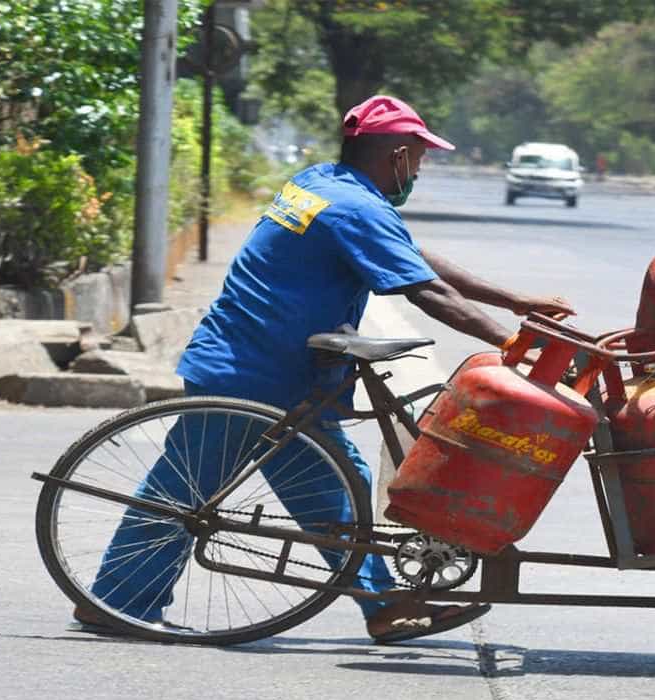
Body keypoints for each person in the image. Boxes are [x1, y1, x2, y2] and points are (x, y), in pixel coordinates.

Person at [74, 95, 575, 643]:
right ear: (398, 156)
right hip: (253, 371)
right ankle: (118, 602)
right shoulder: (353, 209)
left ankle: (385, 606)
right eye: (420, 158)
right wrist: (509, 341)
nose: (419, 171)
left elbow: (409, 254)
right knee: (185, 489)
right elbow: (425, 290)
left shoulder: (320, 184)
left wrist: (512, 302)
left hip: (277, 370)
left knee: (336, 487)